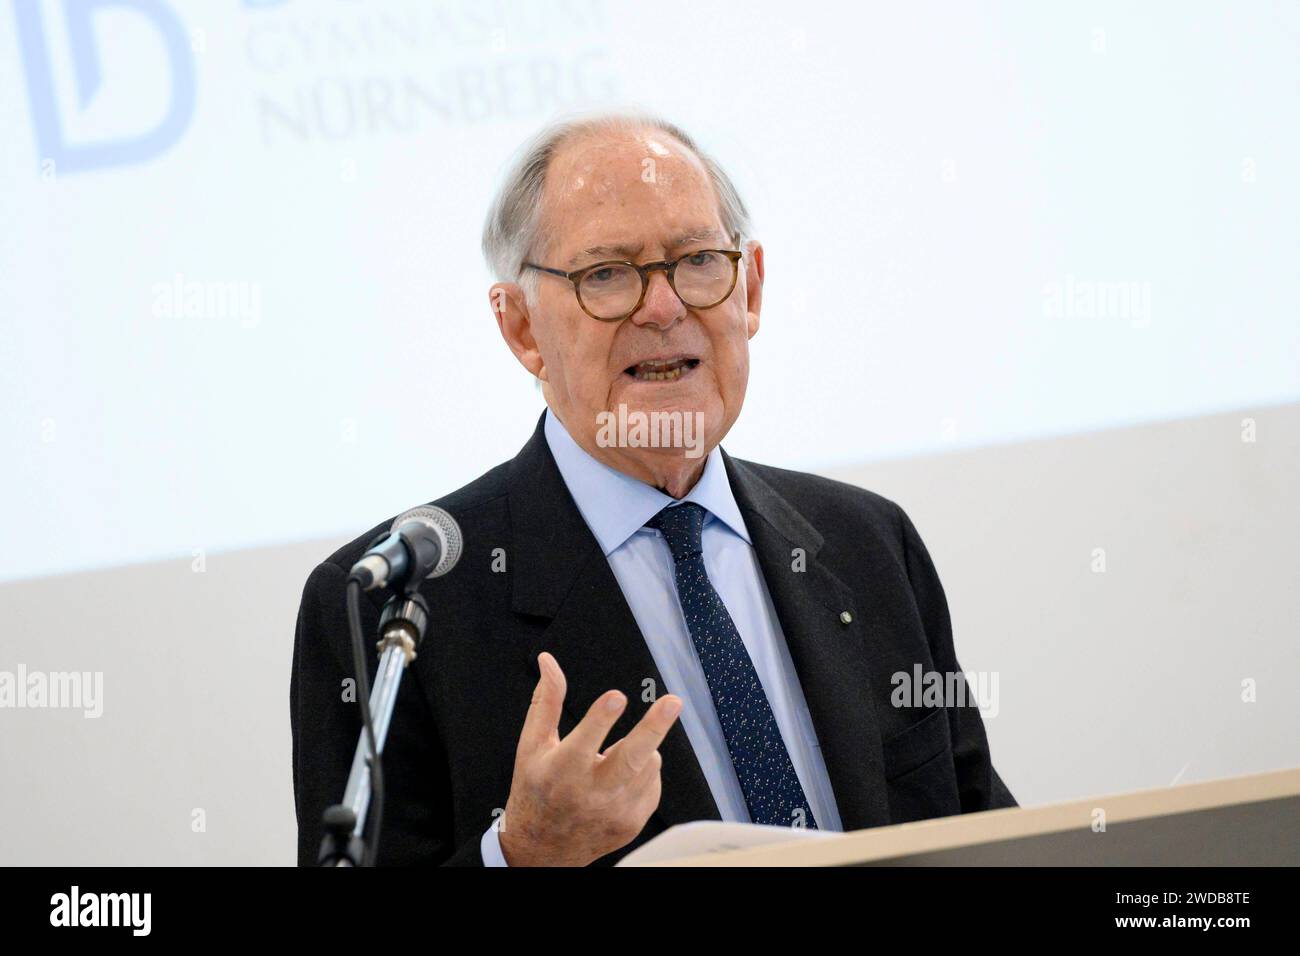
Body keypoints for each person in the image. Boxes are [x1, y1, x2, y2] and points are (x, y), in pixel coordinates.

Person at [291, 111, 1016, 867]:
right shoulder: (395, 605)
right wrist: (522, 855)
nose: (665, 307)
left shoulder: (870, 544)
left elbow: (984, 833)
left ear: (751, 288)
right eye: (606, 273)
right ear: (522, 330)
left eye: (699, 260)